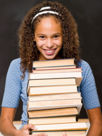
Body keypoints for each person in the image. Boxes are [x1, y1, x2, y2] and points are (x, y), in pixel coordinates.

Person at [0, 1, 102, 136]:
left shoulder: (82, 67)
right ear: (33, 37)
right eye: (42, 37)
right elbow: (4, 123)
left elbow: (97, 123)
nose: (49, 44)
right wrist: (18, 133)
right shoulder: (18, 67)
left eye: (55, 36)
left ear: (65, 36)